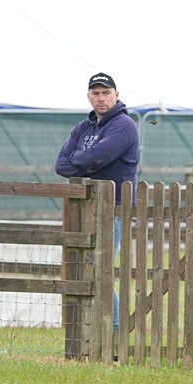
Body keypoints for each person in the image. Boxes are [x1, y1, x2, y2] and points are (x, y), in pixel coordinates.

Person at [54, 71, 140, 333]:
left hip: (113, 210)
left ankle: (113, 332)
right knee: (82, 270)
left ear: (116, 95)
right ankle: (90, 330)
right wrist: (89, 162)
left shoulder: (124, 125)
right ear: (89, 97)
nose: (101, 98)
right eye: (96, 93)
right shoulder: (83, 128)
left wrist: (83, 160)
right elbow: (61, 164)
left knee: (100, 271)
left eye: (106, 93)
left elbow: (100, 155)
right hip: (84, 208)